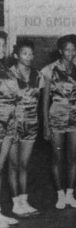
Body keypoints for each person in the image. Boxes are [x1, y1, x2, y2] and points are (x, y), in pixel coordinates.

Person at [42, 34, 76, 209]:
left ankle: (70, 194)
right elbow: (45, 99)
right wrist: (45, 125)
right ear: (60, 51)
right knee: (57, 157)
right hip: (56, 116)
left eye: (73, 49)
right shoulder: (49, 70)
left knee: (73, 157)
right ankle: (60, 195)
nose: (70, 52)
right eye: (67, 49)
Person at [8, 39, 44, 217]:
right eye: (24, 53)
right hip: (13, 124)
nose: (29, 57)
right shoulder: (8, 74)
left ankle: (24, 200)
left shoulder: (38, 75)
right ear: (16, 55)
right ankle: (15, 204)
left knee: (24, 165)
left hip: (31, 124)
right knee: (13, 165)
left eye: (31, 54)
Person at [0, 31, 19, 227]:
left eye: (3, 46)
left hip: (9, 124)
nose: (0, 49)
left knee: (0, 168)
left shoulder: (7, 69)